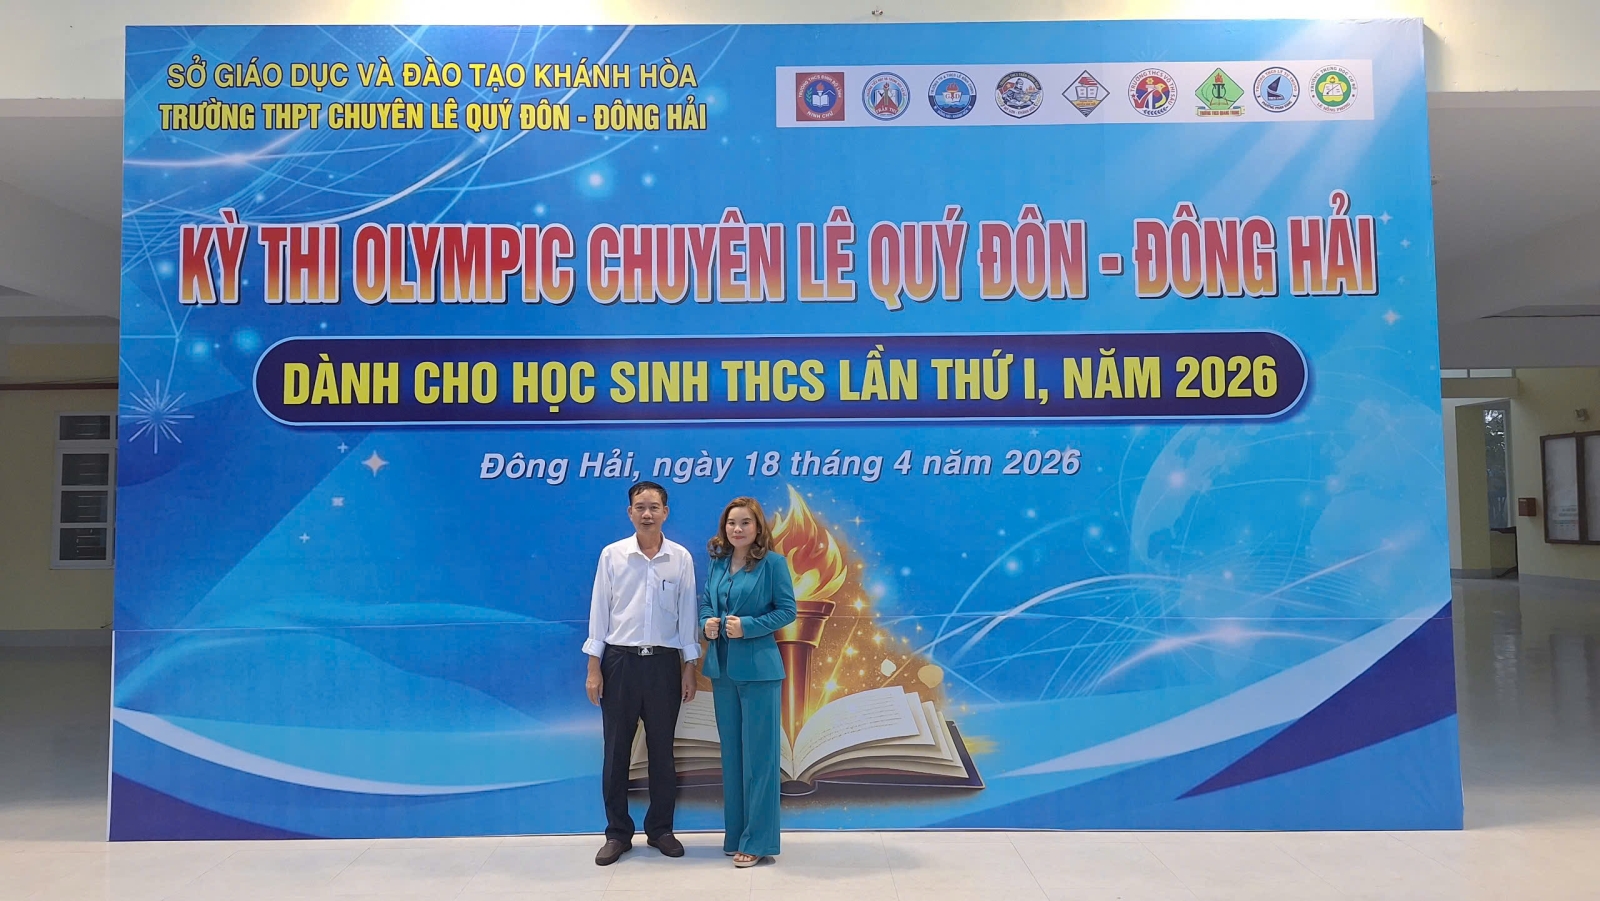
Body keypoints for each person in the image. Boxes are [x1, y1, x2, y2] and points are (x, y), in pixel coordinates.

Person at [584, 481, 700, 867]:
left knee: (662, 751)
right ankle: (617, 833)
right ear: (629, 512)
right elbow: (599, 612)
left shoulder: (680, 558)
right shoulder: (613, 555)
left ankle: (661, 830)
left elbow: (688, 615)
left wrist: (689, 666)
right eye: (640, 507)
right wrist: (594, 667)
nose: (647, 513)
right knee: (616, 751)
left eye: (654, 507)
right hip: (620, 663)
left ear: (666, 512)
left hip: (665, 664)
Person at [699, 497, 797, 868]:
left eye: (745, 523)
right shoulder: (717, 563)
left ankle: (758, 840)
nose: (737, 529)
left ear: (758, 528)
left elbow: (787, 611)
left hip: (760, 672)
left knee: (760, 758)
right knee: (732, 756)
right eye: (731, 523)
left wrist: (749, 626)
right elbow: (707, 604)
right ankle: (736, 834)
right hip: (722, 670)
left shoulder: (773, 564)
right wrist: (707, 623)